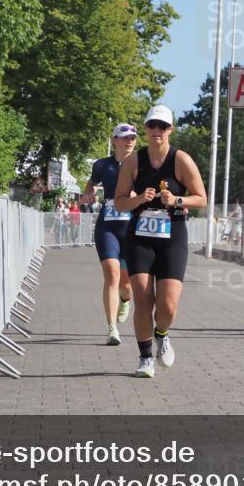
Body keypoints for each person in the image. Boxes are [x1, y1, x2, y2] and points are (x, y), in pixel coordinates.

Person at [114, 105, 207, 378]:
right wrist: (138, 200)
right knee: (143, 301)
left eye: (163, 126)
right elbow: (119, 203)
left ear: (170, 130)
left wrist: (177, 200)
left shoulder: (181, 160)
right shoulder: (133, 161)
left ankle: (162, 334)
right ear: (145, 128)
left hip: (172, 237)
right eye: (152, 125)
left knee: (167, 307)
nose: (157, 130)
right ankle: (145, 358)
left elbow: (201, 198)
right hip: (140, 237)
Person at [80, 123, 139, 346]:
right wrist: (89, 193)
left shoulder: (141, 164)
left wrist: (136, 195)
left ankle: (125, 298)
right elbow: (91, 183)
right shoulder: (102, 165)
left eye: (133, 137)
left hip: (132, 227)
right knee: (112, 275)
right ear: (114, 140)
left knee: (126, 283)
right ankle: (112, 328)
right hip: (108, 226)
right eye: (125, 137)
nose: (130, 141)